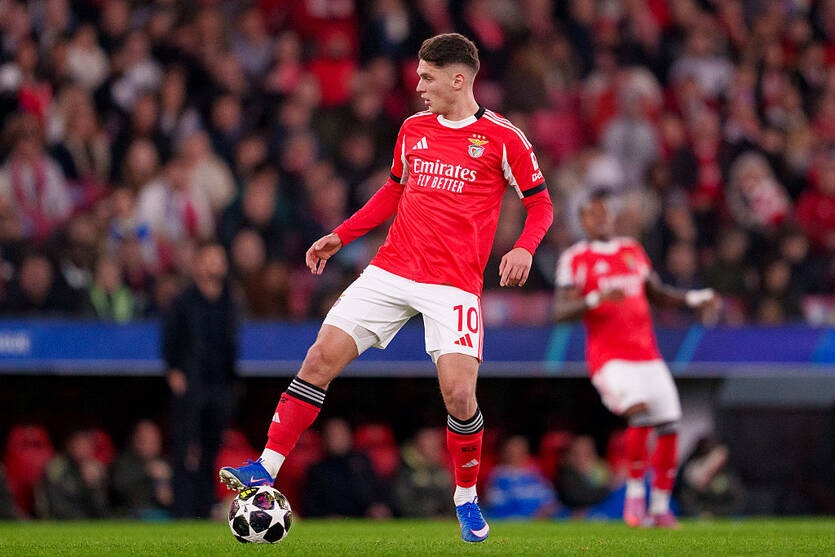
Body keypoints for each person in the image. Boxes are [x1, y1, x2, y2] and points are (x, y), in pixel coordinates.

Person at [219, 32, 553, 543]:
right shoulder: (413, 129)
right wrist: (341, 235)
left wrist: (525, 248)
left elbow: (540, 203)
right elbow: (393, 191)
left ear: (458, 79)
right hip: (391, 270)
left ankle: (465, 498)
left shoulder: (503, 137)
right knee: (319, 359)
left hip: (453, 286)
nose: (418, 86)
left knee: (460, 395)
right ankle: (266, 465)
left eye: (427, 77)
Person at [553, 190, 717, 528]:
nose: (600, 219)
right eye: (593, 214)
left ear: (612, 216)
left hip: (648, 355)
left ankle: (659, 508)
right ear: (583, 220)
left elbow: (657, 294)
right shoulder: (575, 257)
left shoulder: (631, 250)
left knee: (670, 424)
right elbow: (560, 311)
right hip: (610, 358)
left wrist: (693, 298)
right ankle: (635, 495)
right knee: (639, 413)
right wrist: (595, 298)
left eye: (604, 212)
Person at [163, 240, 239, 518]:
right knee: (184, 448)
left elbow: (231, 344)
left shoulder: (230, 300)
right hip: (191, 383)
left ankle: (205, 506)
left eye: (219, 259)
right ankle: (182, 510)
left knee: (212, 448)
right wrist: (174, 370)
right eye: (210, 259)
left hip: (220, 384)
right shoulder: (183, 300)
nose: (215, 265)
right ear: (197, 264)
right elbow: (170, 338)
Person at [301, 417, 392, 519]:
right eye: (332, 435)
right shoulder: (317, 470)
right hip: (333, 522)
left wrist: (378, 508)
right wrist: (326, 517)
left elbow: (378, 492)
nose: (336, 439)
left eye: (340, 434)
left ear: (349, 436)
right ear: (324, 439)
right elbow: (311, 506)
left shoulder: (361, 463)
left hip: (364, 519)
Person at [35, 427, 109, 519]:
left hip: (90, 521)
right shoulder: (56, 468)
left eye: (86, 445)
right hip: (62, 520)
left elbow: (102, 509)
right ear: (70, 446)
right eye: (78, 444)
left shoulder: (97, 468)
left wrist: (93, 486)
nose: (82, 449)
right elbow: (56, 506)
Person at [110, 419, 173, 519]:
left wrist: (162, 483)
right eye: (144, 439)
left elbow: (167, 499)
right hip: (133, 517)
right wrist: (147, 471)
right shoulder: (123, 463)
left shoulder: (165, 464)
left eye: (153, 440)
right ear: (135, 440)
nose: (149, 444)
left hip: (164, 517)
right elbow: (118, 486)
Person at [483, 435, 558, 520]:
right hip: (510, 519)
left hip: (539, 519)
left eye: (519, 449)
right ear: (504, 452)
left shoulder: (536, 474)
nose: (515, 453)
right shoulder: (497, 475)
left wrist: (546, 511)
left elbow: (550, 500)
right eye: (511, 450)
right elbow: (495, 504)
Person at [392, 427, 453, 518]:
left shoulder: (441, 471)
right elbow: (403, 501)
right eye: (430, 444)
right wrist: (430, 516)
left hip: (442, 520)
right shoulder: (406, 469)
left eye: (436, 445)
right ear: (418, 445)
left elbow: (450, 500)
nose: (434, 448)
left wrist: (447, 515)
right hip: (413, 520)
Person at [554, 435, 615, 516]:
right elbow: (576, 498)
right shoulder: (565, 474)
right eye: (577, 454)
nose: (581, 459)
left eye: (587, 454)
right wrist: (610, 487)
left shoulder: (601, 470)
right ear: (569, 456)